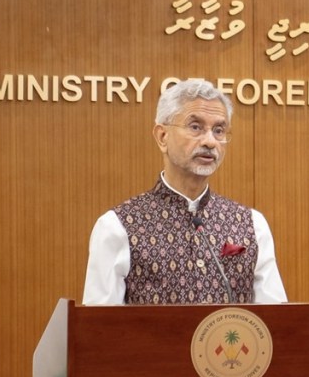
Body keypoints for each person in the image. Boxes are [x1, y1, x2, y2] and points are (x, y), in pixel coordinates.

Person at [83, 78, 287, 306]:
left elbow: (274, 323)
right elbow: (99, 331)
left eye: (219, 130)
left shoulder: (251, 224)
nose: (210, 141)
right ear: (162, 137)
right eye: (195, 127)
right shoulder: (117, 226)